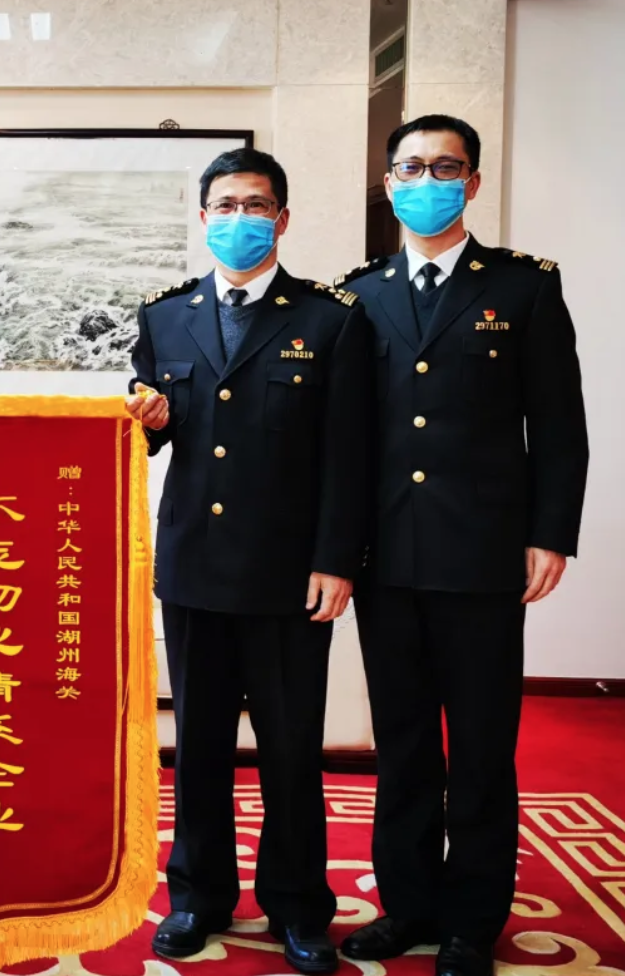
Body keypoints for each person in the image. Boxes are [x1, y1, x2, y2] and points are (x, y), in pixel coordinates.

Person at [335, 116, 589, 976]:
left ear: (473, 183)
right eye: (410, 167)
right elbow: (345, 438)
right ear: (389, 183)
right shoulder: (359, 295)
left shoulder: (523, 288)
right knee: (403, 743)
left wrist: (551, 533)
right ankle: (407, 906)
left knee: (481, 746)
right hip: (386, 558)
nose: (427, 180)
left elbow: (559, 424)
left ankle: (472, 921)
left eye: (446, 167)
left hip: (483, 556)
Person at [127, 148, 371, 975]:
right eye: (225, 205)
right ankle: (197, 897)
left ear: (282, 218)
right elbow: (154, 433)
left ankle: (298, 906)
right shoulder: (166, 316)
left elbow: (348, 453)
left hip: (287, 574)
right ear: (203, 219)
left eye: (255, 205)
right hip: (194, 566)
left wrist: (337, 559)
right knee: (196, 748)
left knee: (291, 750)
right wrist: (145, 422)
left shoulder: (330, 319)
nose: (240, 218)